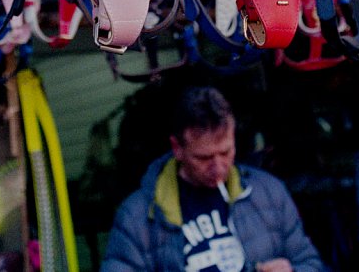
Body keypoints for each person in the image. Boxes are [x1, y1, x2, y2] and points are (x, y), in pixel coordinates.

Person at [101, 86, 326, 272]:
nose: (218, 166)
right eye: (204, 157)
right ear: (177, 148)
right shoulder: (138, 216)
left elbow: (312, 264)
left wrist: (293, 270)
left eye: (226, 152)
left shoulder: (269, 192)